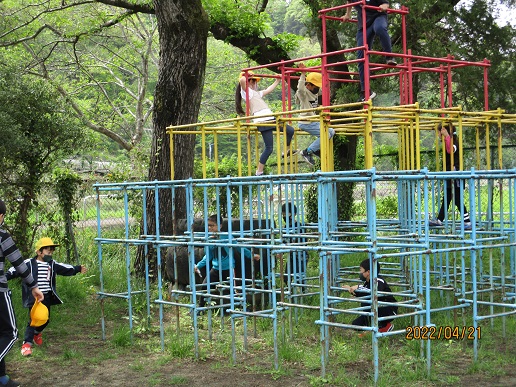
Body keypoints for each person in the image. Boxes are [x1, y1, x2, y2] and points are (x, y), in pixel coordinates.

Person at [6, 237, 87, 357]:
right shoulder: (29, 263)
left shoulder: (52, 264)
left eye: (52, 251)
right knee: (34, 320)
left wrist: (77, 269)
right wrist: (6, 276)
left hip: (47, 296)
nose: (50, 254)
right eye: (48, 251)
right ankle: (26, 345)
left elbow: (64, 268)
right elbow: (17, 268)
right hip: (34, 297)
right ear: (39, 252)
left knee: (45, 319)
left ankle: (36, 334)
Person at [0, 200, 44, 387]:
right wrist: (34, 286)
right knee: (10, 334)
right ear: (0, 217)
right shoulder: (2, 236)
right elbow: (19, 263)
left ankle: (1, 379)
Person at [193, 214, 260, 309]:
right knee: (205, 286)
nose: (209, 228)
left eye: (212, 225)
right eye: (208, 225)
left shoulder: (226, 236)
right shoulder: (209, 239)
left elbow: (239, 248)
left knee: (232, 290)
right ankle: (200, 308)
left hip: (228, 268)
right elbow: (208, 256)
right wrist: (198, 266)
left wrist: (251, 255)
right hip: (215, 268)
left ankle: (242, 307)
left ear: (220, 225)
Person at [236, 71, 295, 176]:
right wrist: (247, 75)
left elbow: (268, 90)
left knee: (290, 130)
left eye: (255, 81)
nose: (255, 83)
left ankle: (286, 151)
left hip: (271, 119)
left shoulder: (256, 93)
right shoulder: (246, 93)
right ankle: (259, 171)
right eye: (253, 81)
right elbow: (241, 80)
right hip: (262, 120)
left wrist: (277, 81)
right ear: (249, 81)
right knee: (269, 148)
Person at [343, 0, 396, 102]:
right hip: (364, 24)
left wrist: (384, 6)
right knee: (361, 54)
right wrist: (347, 14)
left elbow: (385, 3)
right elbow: (349, 1)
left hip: (378, 17)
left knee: (380, 28)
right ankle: (366, 91)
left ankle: (389, 57)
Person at [428, 123, 472, 229]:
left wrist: (447, 136)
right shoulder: (449, 141)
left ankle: (467, 221)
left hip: (455, 174)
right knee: (447, 197)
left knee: (456, 198)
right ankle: (439, 220)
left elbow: (450, 150)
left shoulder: (454, 142)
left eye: (439, 132)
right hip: (450, 174)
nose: (438, 134)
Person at [342, 258, 397, 334]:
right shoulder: (367, 283)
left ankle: (384, 326)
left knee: (368, 304)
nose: (360, 273)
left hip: (388, 310)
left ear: (368, 272)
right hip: (375, 309)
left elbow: (375, 292)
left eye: (361, 270)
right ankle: (375, 328)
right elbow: (364, 292)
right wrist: (352, 291)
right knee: (356, 325)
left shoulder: (378, 280)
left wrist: (358, 287)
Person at [295, 63, 335, 166]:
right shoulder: (304, 94)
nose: (318, 89)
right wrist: (303, 73)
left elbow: (325, 89)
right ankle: (306, 152)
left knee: (332, 131)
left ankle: (315, 150)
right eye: (316, 86)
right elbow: (300, 89)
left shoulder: (315, 92)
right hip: (306, 122)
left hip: (313, 121)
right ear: (308, 85)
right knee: (326, 134)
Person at [279, 203, 307, 287]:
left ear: (294, 214)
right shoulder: (285, 227)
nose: (284, 216)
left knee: (299, 278)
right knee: (287, 278)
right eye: (283, 214)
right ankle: (291, 293)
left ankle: (303, 294)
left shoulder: (299, 226)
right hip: (291, 256)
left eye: (286, 214)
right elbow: (284, 241)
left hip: (300, 256)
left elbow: (303, 242)